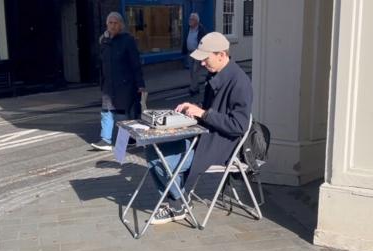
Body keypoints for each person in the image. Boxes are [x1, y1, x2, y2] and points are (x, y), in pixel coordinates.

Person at [146, 32, 253, 225]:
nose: (202, 63)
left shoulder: (240, 82)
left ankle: (178, 204)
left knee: (160, 160)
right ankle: (178, 199)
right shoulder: (217, 74)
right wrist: (192, 108)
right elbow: (208, 109)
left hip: (219, 144)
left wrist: (202, 114)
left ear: (221, 55)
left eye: (206, 58)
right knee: (152, 150)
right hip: (204, 135)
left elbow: (239, 125)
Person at [91, 12, 145, 151]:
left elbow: (135, 63)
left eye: (116, 23)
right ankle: (105, 140)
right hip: (108, 84)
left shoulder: (128, 40)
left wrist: (140, 84)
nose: (113, 26)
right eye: (110, 23)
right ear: (106, 24)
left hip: (125, 84)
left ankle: (127, 140)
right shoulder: (103, 40)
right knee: (106, 111)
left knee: (122, 113)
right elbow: (101, 63)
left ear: (121, 25)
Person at [182, 12, 207, 96]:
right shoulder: (188, 29)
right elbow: (186, 39)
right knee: (191, 71)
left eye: (192, 19)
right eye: (190, 19)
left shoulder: (201, 29)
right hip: (190, 53)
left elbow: (204, 42)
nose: (190, 21)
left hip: (198, 53)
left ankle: (192, 89)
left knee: (195, 71)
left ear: (196, 21)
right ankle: (195, 87)